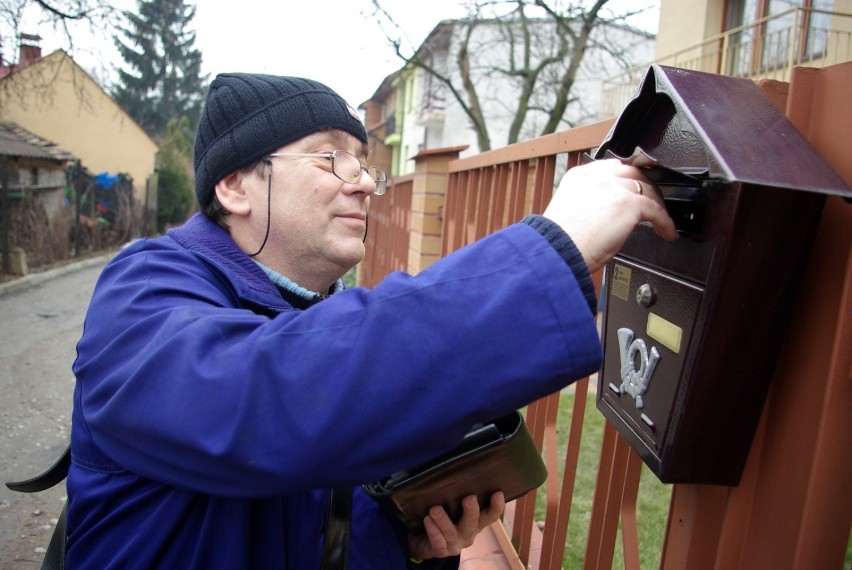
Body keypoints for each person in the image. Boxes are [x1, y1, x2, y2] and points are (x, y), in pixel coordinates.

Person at [66, 73, 676, 569]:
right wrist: (552, 248)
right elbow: (271, 401)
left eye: (365, 163)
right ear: (234, 186)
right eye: (332, 157)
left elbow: (315, 511)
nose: (363, 184)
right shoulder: (141, 293)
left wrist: (409, 540)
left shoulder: (321, 316)